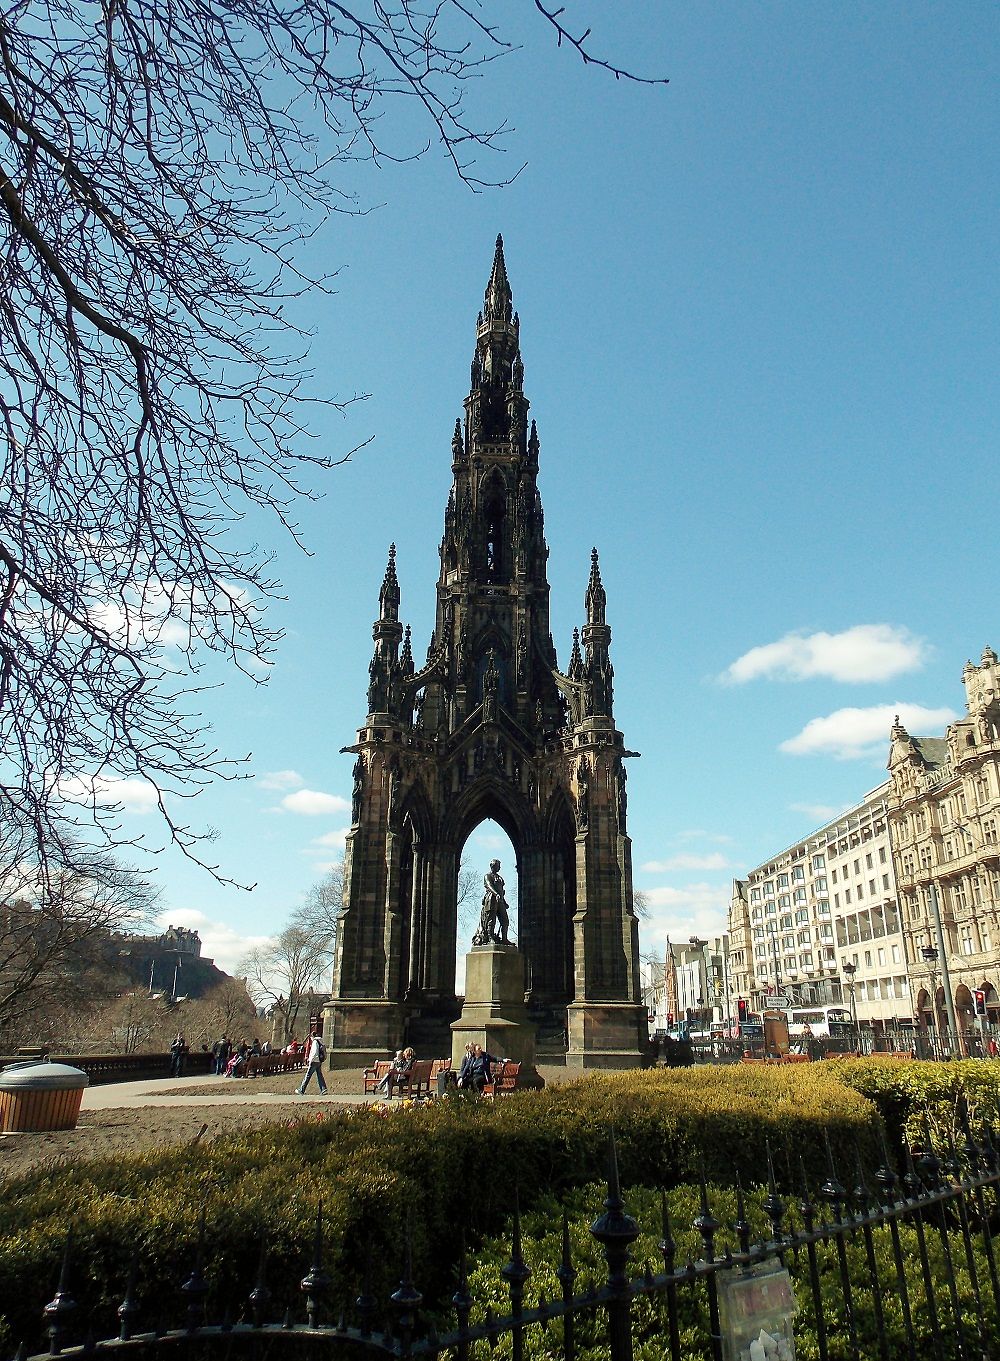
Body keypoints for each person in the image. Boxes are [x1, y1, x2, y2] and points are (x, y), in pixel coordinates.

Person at [296, 1029, 328, 1095]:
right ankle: (323, 1089)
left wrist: (310, 1060)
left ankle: (301, 1090)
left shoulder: (315, 1042)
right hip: (319, 1060)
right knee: (319, 1075)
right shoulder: (321, 1041)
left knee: (308, 1075)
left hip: (314, 1061)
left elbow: (314, 1052)